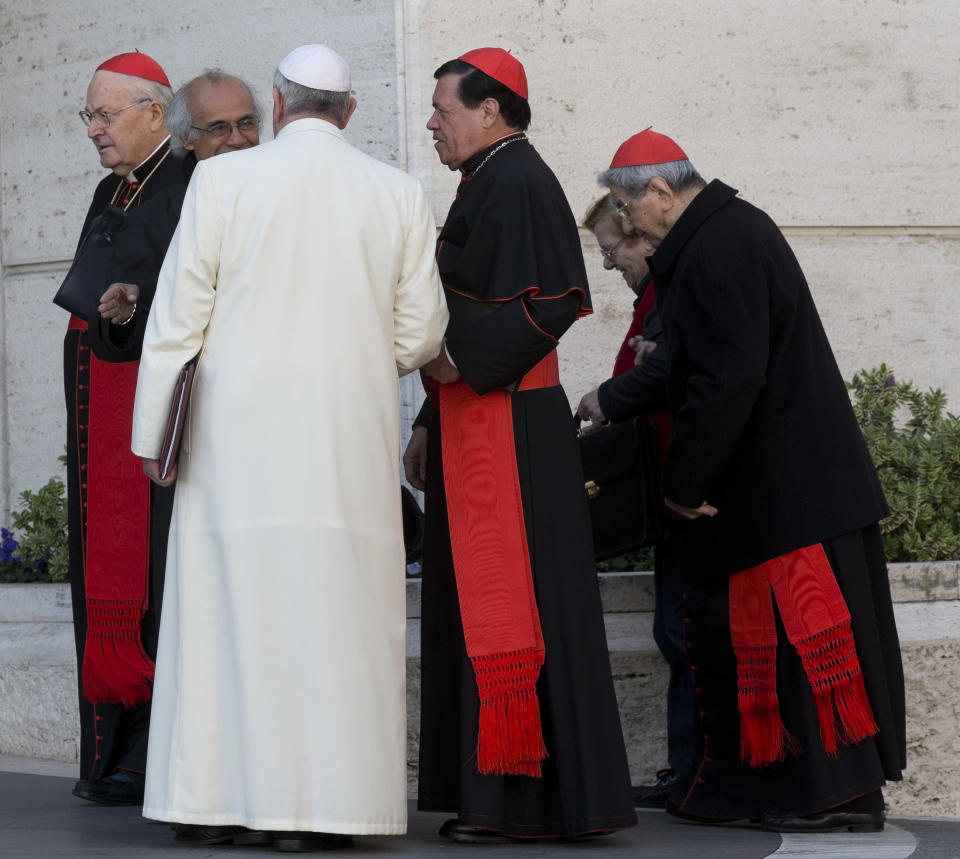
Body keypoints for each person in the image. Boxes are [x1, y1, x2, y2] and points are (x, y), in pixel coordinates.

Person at [130, 44, 447, 851]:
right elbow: (420, 334)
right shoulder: (399, 191)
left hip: (234, 442)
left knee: (225, 615)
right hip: (343, 439)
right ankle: (326, 813)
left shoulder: (223, 179)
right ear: (347, 112)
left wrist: (151, 434)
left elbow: (176, 321)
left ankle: (216, 802)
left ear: (276, 104)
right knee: (335, 621)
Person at [598, 128, 906, 832]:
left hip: (783, 490)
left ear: (661, 192)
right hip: (780, 488)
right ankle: (796, 790)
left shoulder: (720, 242)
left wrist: (683, 481)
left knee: (802, 646)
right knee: (778, 649)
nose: (625, 218)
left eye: (625, 203)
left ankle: (826, 796)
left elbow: (728, 376)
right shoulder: (724, 232)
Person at [404, 48, 636, 843]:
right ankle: (497, 796)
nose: (431, 122)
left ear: (491, 110)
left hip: (513, 428)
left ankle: (525, 802)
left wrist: (456, 364)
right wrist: (429, 417)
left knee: (513, 607)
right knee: (477, 607)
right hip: (473, 416)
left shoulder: (522, 177)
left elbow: (556, 300)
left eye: (443, 108)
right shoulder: (485, 178)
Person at [61, 51, 182, 807]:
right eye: (89, 116)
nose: (96, 130)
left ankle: (146, 749)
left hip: (156, 424)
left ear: (154, 113)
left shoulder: (189, 183)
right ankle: (111, 750)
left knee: (158, 584)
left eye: (107, 115)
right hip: (104, 418)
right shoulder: (115, 189)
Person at [575, 195, 694, 808]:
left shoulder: (669, 294)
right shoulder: (655, 297)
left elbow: (667, 369)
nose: (607, 263)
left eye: (611, 248)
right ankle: (687, 768)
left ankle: (694, 770)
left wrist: (611, 396)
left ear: (643, 240)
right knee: (674, 628)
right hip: (673, 489)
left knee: (682, 629)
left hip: (687, 490)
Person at [95, 69, 262, 348]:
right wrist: (127, 315)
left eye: (246, 123)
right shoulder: (151, 220)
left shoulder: (289, 192)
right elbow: (123, 340)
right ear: (187, 137)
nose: (237, 139)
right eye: (218, 128)